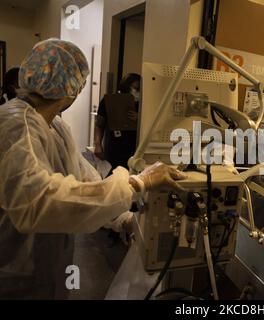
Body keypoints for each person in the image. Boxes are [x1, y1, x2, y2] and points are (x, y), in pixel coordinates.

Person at [0, 39, 186, 299]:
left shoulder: (56, 127)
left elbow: (84, 181)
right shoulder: (15, 125)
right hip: (14, 274)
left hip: (49, 265)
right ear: (72, 88)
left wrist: (124, 220)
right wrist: (138, 183)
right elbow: (38, 201)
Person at [94, 73, 141, 171]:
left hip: (135, 151)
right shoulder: (109, 101)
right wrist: (98, 145)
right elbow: (99, 125)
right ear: (127, 87)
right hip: (114, 149)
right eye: (136, 88)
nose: (138, 92)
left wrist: (140, 119)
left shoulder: (142, 105)